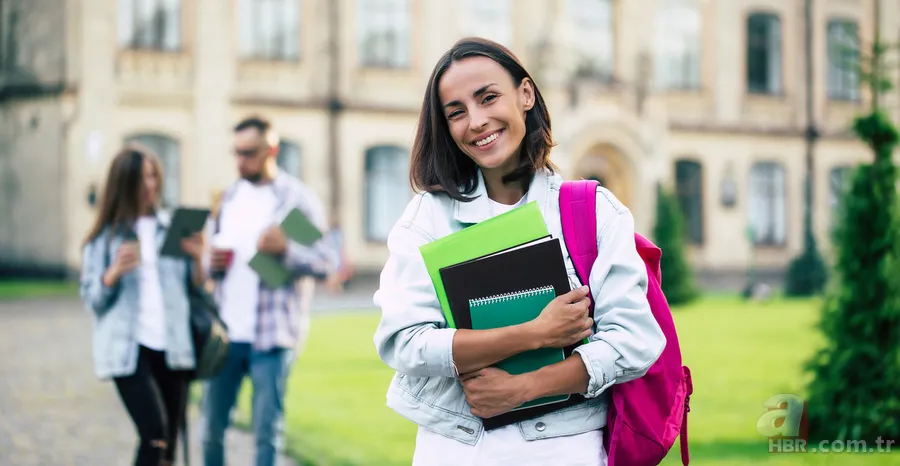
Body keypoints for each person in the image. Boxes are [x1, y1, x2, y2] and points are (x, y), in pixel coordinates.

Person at [372, 37, 667, 466]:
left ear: (525, 94)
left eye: (488, 97)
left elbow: (636, 339)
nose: (475, 121)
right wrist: (536, 334)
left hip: (568, 448)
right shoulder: (428, 218)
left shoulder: (592, 210)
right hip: (455, 448)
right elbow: (403, 342)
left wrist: (526, 387)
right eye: (456, 112)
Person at [200, 115, 334, 466]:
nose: (241, 160)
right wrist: (209, 261)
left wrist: (286, 250)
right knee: (210, 430)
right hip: (225, 335)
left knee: (266, 434)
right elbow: (206, 261)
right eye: (237, 152)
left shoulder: (295, 201)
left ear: (271, 149)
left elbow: (324, 262)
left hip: (271, 339)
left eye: (249, 152)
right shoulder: (227, 198)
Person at [79, 144, 205, 466]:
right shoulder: (105, 238)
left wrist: (199, 258)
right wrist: (113, 273)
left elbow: (195, 289)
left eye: (153, 176)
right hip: (129, 349)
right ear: (124, 184)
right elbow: (93, 300)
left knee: (169, 446)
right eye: (141, 179)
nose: (150, 185)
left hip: (174, 347)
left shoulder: (172, 229)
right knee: (154, 433)